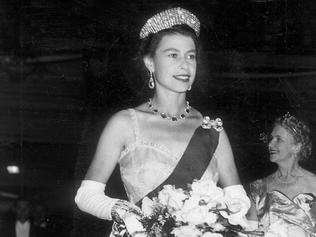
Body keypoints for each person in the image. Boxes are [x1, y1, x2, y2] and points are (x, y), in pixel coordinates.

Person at [75, 6, 251, 236]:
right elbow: (86, 195)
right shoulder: (124, 124)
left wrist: (227, 214)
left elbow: (237, 196)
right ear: (150, 63)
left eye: (191, 56)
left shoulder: (212, 129)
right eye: (173, 55)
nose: (185, 65)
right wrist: (121, 211)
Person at [248, 112, 316, 236]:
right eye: (271, 139)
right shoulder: (258, 188)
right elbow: (249, 232)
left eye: (278, 139)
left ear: (297, 147)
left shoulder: (314, 184)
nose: (270, 144)